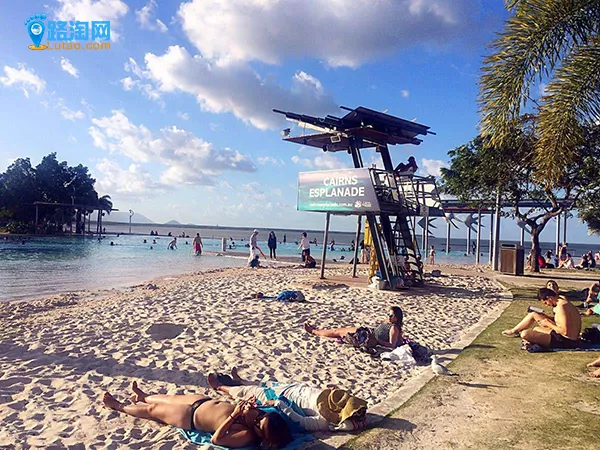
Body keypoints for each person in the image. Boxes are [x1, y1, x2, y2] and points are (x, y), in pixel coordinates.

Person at [102, 381, 292, 449]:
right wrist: (252, 406)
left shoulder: (247, 435)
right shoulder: (257, 415)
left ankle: (118, 406)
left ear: (260, 433)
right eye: (261, 416)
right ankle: (143, 396)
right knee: (169, 398)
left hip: (190, 417)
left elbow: (217, 440)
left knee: (153, 411)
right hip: (202, 401)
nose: (258, 417)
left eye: (259, 421)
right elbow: (271, 405)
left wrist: (235, 415)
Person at [207, 369, 367, 432]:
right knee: (267, 384)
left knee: (252, 392)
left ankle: (220, 387)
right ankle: (241, 381)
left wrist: (278, 404)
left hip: (284, 399)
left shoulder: (326, 421)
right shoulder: (339, 401)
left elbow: (301, 422)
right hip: (295, 389)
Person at [502, 288, 581, 349]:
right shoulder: (561, 300)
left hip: (566, 341)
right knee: (534, 317)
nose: (547, 305)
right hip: (562, 335)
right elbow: (564, 321)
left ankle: (524, 337)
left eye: (546, 302)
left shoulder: (561, 307)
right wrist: (548, 318)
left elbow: (565, 332)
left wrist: (548, 324)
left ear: (549, 298)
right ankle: (514, 331)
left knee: (525, 334)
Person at [304, 306, 404, 348]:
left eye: (391, 315)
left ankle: (314, 331)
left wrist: (378, 340)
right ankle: (317, 330)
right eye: (388, 314)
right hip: (368, 331)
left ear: (396, 318)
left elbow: (391, 344)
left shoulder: (393, 328)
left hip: (367, 336)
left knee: (337, 332)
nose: (388, 316)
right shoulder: (389, 323)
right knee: (339, 331)